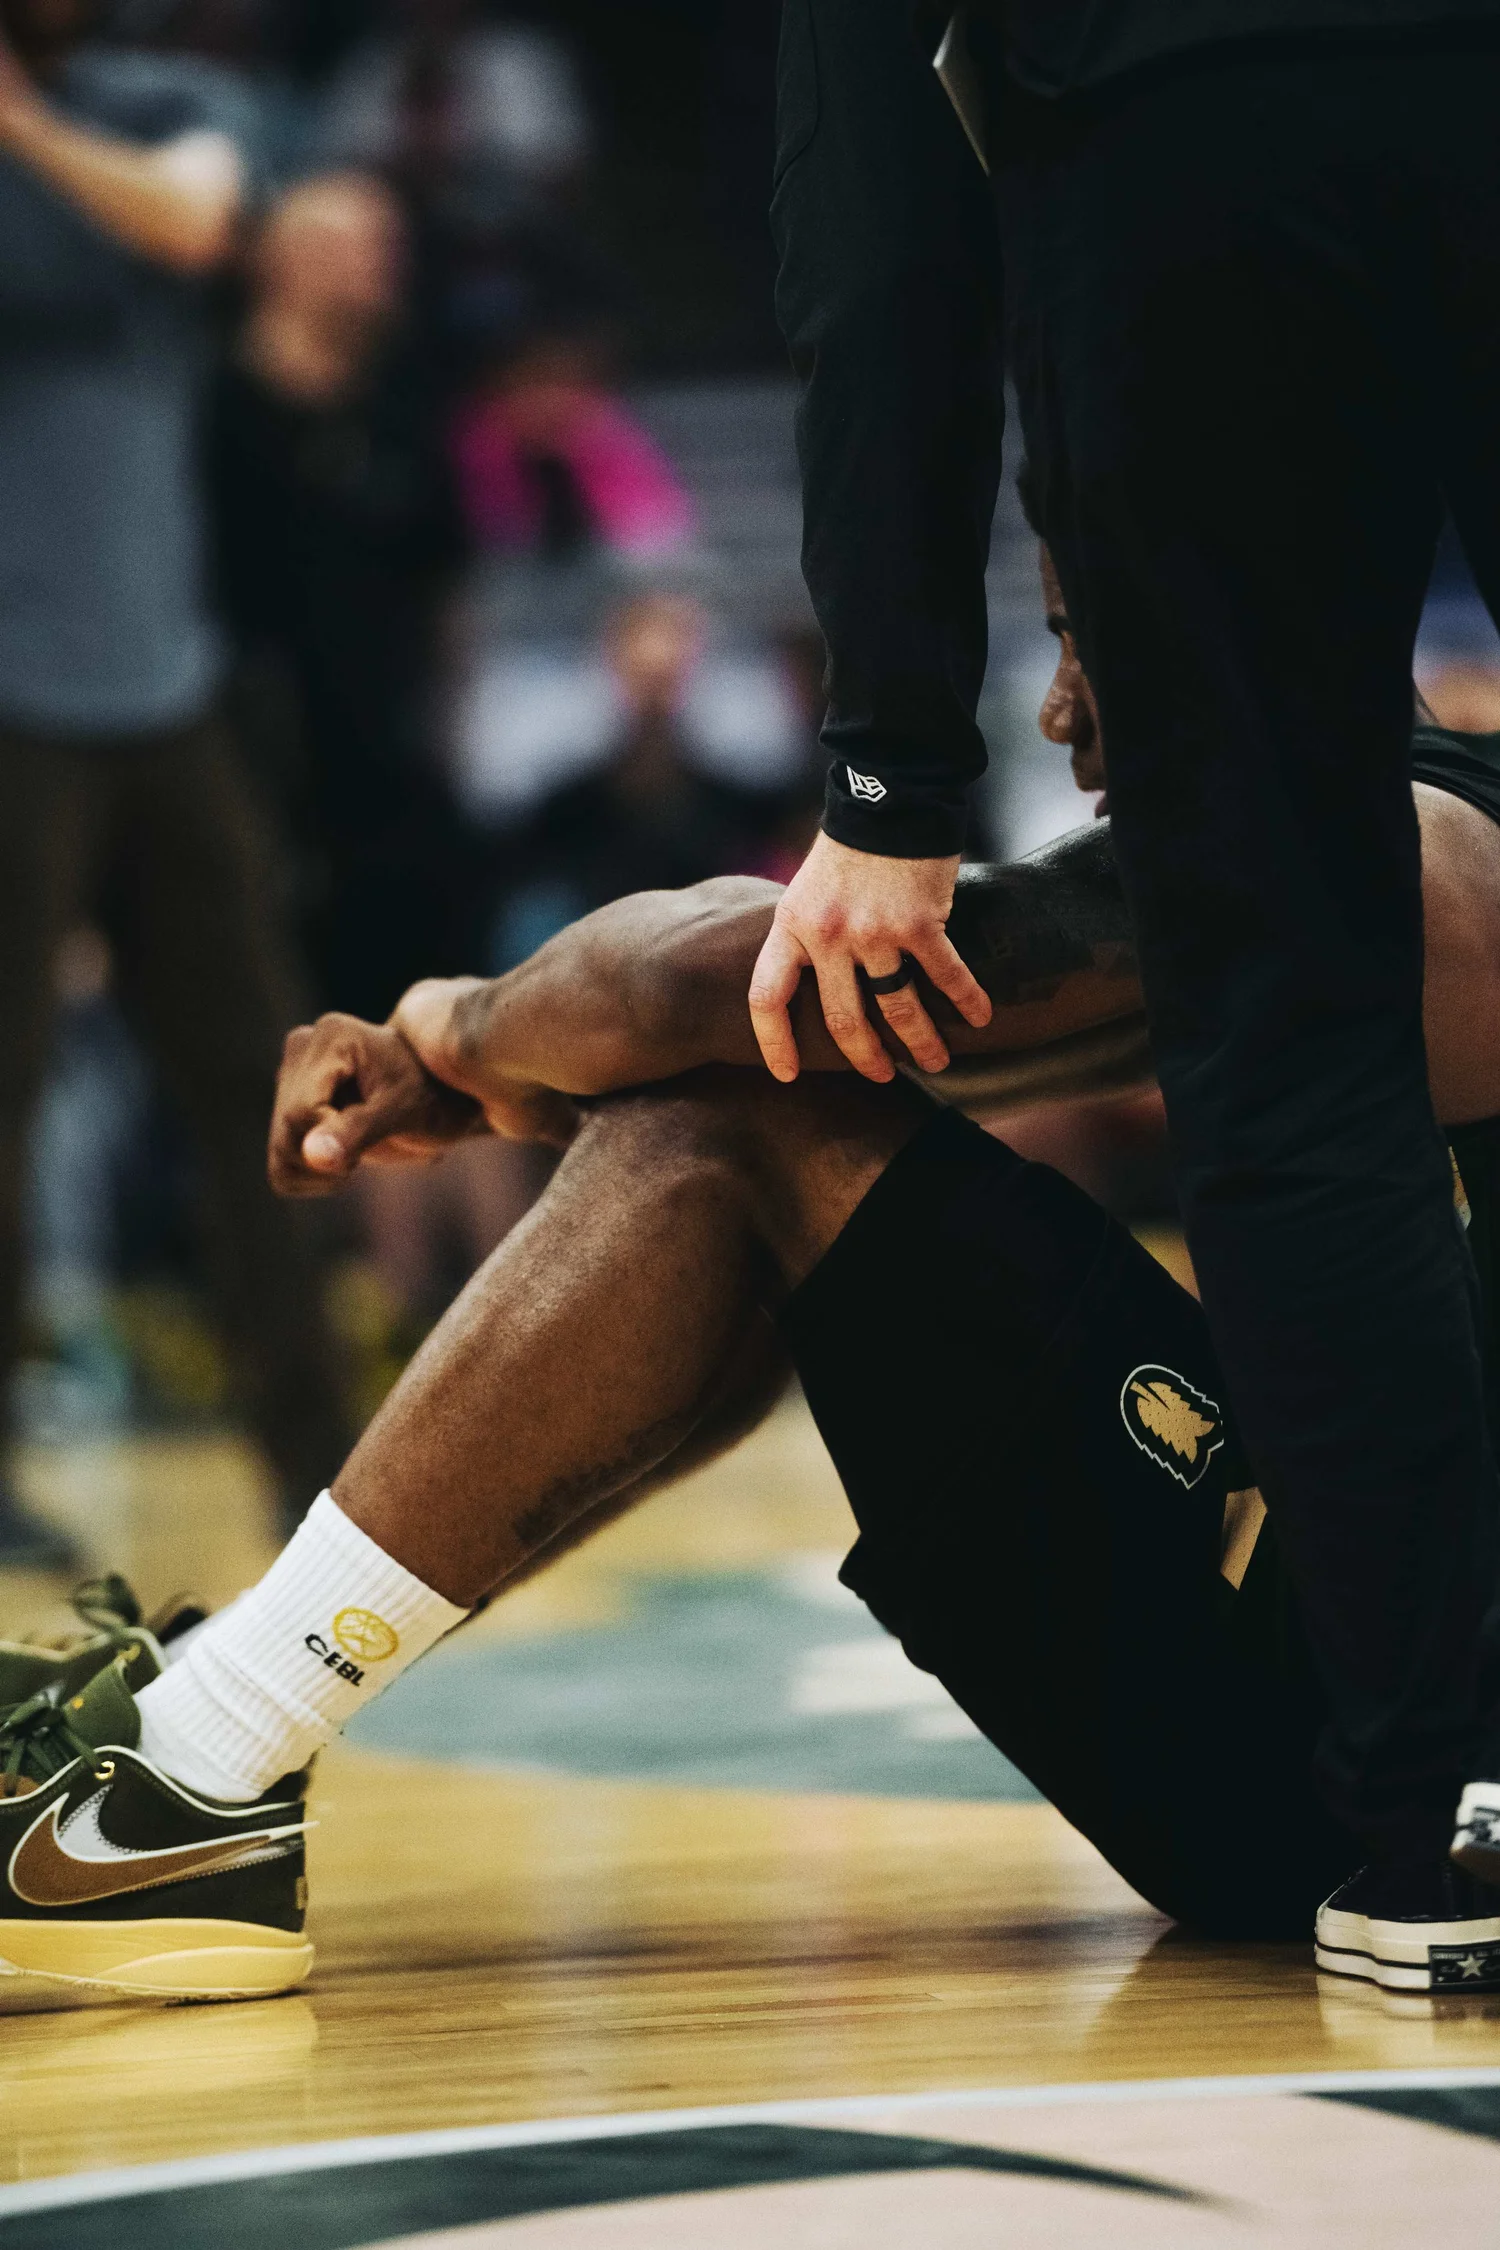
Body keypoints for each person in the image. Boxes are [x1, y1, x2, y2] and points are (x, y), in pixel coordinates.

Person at [8, 528, 1500, 2000]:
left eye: (1081, 637)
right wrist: (519, 1080)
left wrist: (453, 1031)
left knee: (734, 1109)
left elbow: (705, 982)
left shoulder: (1389, 869)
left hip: (1370, 1775)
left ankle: (190, 1772)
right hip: (1361, 1668)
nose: (1059, 711)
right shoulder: (1390, 842)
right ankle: (209, 1713)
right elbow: (832, 1032)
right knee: (781, 1119)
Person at [759, 2, 1500, 1925]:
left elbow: (879, 237)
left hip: (1176, 123)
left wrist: (892, 766)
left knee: (1291, 1030)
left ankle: (1442, 1822)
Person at [0, 0, 351, 1556]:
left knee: (258, 1077)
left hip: (164, 683)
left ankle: (320, 1454)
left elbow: (202, 222)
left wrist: (17, 124)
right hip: (8, 701)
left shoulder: (155, 100)